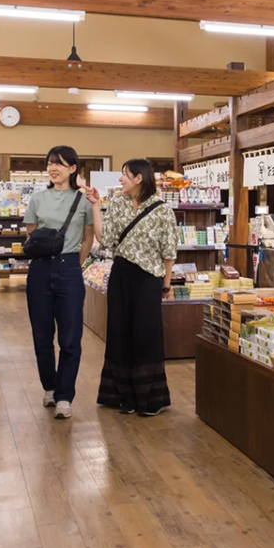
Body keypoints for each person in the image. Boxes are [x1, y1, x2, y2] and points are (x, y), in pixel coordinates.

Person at [86, 159, 177, 416]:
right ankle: (124, 396)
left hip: (148, 279)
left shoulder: (162, 210)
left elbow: (168, 251)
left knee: (146, 335)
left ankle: (150, 398)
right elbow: (106, 238)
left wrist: (166, 285)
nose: (120, 179)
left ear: (139, 178)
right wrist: (95, 206)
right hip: (121, 275)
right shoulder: (117, 204)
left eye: (124, 174)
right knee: (119, 333)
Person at [24, 146, 95, 420]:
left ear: (73, 169)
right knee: (42, 335)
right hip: (40, 270)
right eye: (50, 164)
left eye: (60, 164)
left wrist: (76, 263)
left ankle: (65, 395)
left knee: (71, 336)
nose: (54, 168)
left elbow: (88, 238)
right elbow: (33, 236)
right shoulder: (37, 199)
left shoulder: (84, 200)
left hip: (69, 270)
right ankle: (49, 387)